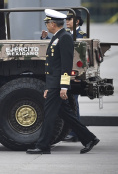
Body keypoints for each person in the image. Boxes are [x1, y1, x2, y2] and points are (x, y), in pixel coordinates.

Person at [26, 9, 99, 155]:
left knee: (50, 114)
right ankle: (89, 138)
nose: (47, 25)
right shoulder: (57, 37)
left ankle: (43, 145)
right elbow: (53, 66)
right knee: (66, 114)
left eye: (47, 22)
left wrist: (64, 86)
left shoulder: (64, 37)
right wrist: (48, 86)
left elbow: (66, 65)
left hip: (58, 84)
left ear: (53, 23)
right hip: (53, 84)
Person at [63, 10, 87, 142]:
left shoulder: (81, 35)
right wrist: (44, 38)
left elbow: (80, 56)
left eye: (69, 19)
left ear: (77, 21)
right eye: (66, 19)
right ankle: (73, 131)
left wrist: (78, 75)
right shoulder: (66, 33)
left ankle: (75, 132)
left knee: (74, 102)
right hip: (67, 72)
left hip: (75, 74)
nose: (67, 21)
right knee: (70, 101)